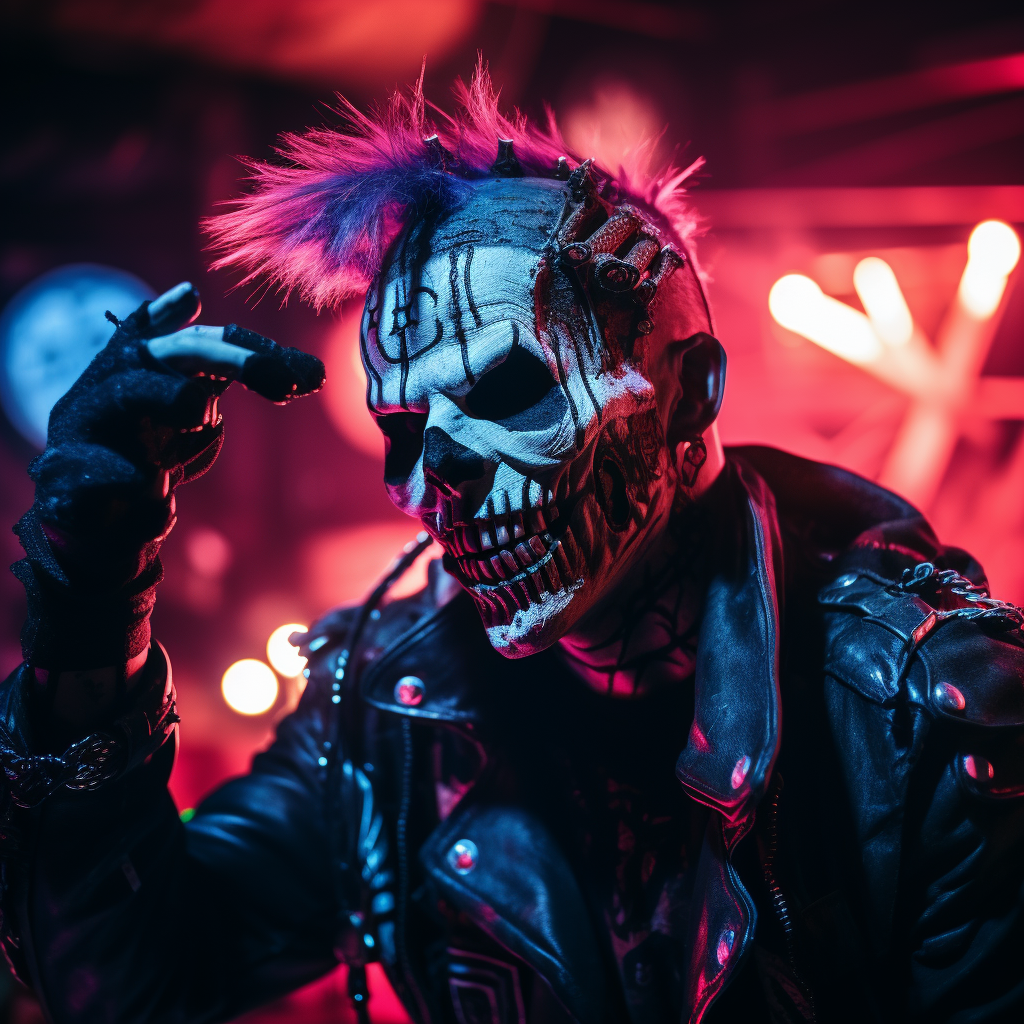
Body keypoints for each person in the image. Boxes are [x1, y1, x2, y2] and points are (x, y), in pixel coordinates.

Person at [2, 63, 1023, 1024]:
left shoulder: (925, 720)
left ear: (687, 393)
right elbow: (129, 979)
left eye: (506, 392)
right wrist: (90, 595)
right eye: (403, 430)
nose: (429, 478)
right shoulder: (385, 710)